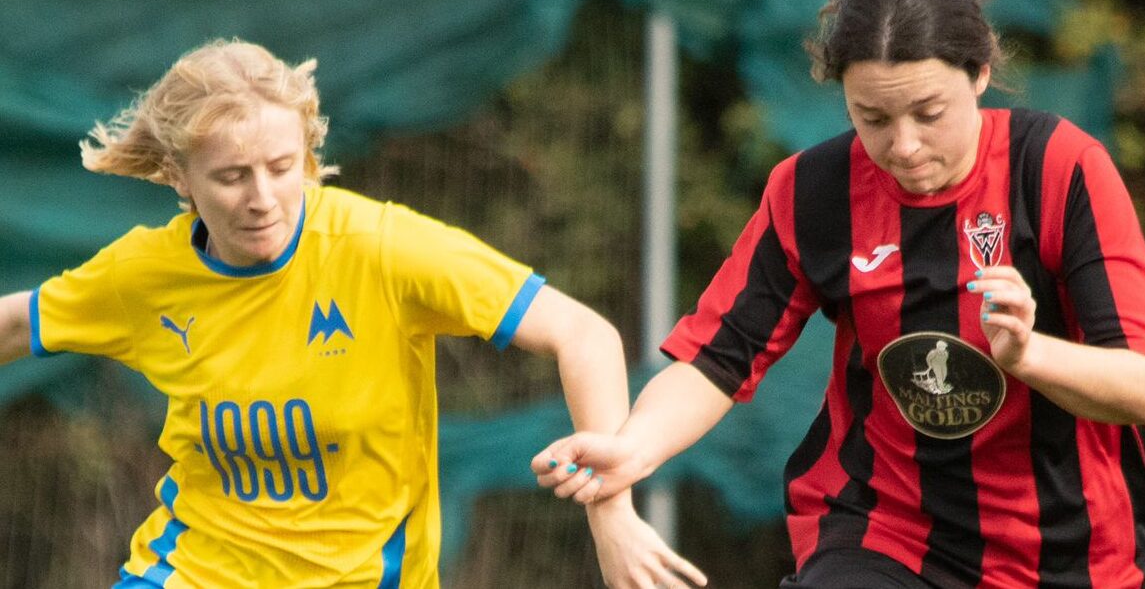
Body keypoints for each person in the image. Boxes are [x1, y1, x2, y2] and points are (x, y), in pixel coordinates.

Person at [533, 0, 1145, 588]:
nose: (903, 145)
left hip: (1075, 554)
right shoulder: (814, 191)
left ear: (980, 74)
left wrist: (1031, 355)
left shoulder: (1061, 169)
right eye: (872, 117)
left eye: (928, 113)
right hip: (883, 535)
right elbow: (716, 360)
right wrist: (636, 449)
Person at [0, 38, 707, 588]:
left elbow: (584, 334)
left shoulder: (381, 247)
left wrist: (611, 514)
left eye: (281, 166)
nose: (263, 198)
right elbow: (14, 324)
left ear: (307, 155)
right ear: (179, 177)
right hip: (190, 569)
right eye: (230, 176)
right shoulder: (142, 275)